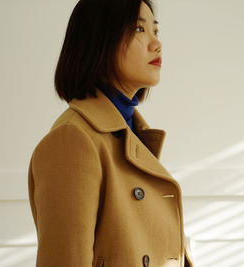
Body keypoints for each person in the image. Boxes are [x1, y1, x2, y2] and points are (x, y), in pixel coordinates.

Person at [27, 0, 194, 266]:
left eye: (155, 31)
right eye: (139, 30)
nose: (156, 44)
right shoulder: (72, 140)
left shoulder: (129, 132)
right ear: (99, 40)